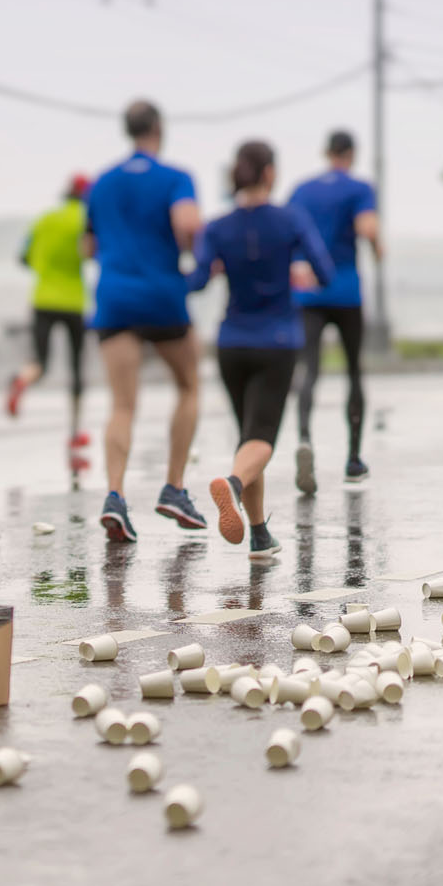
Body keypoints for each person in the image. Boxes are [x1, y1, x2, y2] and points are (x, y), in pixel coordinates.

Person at [187, 141, 334, 559]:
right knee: (262, 439)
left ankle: (259, 535)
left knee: (248, 438)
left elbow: (196, 280)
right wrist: (298, 272)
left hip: (231, 342)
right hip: (277, 341)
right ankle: (231, 486)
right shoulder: (289, 219)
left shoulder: (217, 227)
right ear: (270, 173)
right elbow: (324, 270)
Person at [84, 100, 206, 540]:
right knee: (189, 385)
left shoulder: (100, 183)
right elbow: (188, 225)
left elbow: (88, 246)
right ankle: (173, 487)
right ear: (158, 128)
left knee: (122, 405)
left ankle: (115, 496)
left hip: (114, 298)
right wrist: (195, 258)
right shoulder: (176, 178)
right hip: (162, 295)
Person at [287, 130, 381, 493]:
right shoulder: (359, 189)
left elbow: (288, 231)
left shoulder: (301, 190)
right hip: (345, 292)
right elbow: (367, 227)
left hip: (307, 292)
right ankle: (353, 459)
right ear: (351, 155)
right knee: (354, 371)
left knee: (309, 369)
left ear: (326, 153)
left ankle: (305, 439)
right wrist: (377, 245)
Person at [6, 174, 91, 450]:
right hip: (74, 300)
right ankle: (75, 431)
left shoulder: (44, 219)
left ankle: (22, 379)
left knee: (41, 362)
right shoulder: (86, 219)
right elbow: (93, 253)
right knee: (76, 366)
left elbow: (22, 257)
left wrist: (45, 270)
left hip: (43, 297)